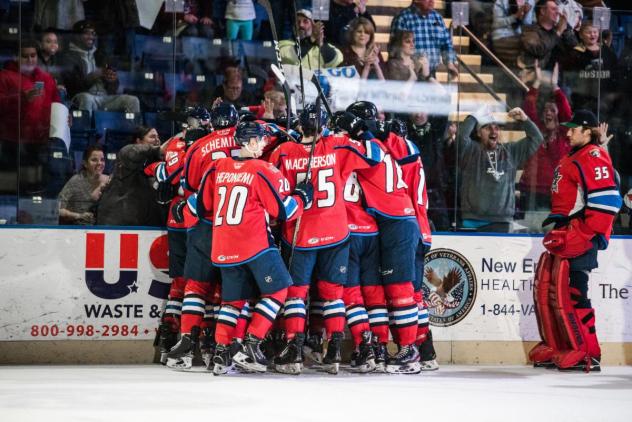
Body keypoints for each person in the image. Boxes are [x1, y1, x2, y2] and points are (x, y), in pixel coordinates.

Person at [197, 120, 313, 374]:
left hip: (223, 244)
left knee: (232, 302)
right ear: (249, 142)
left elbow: (200, 205)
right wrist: (302, 197)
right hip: (254, 243)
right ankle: (251, 344)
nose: (263, 144)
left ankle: (221, 354)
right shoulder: (261, 169)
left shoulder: (217, 166)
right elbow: (282, 211)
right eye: (260, 140)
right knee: (279, 290)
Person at [531, 110, 621, 371]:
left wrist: (582, 233)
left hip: (578, 235)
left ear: (587, 132)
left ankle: (588, 352)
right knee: (552, 291)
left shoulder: (592, 156)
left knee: (574, 293)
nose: (567, 132)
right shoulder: (577, 154)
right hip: (565, 231)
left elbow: (608, 202)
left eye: (573, 129)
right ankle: (562, 346)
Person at [457, 107, 544, 232]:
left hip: (502, 220)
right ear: (478, 133)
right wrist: (474, 117)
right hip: (473, 219)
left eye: (497, 128)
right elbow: (461, 137)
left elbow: (537, 139)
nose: (494, 131)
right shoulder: (471, 150)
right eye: (487, 128)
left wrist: (525, 120)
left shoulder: (510, 151)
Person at [0, 39, 61, 194]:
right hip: (11, 141)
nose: (30, 60)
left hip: (39, 141)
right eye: (25, 56)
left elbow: (56, 104)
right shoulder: (4, 76)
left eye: (33, 55)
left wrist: (63, 118)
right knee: (10, 189)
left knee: (36, 189)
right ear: (16, 57)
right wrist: (20, 98)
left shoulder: (46, 78)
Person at [519, 62, 572, 214]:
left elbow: (566, 113)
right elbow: (528, 107)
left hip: (556, 192)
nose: (548, 113)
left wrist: (555, 86)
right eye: (546, 110)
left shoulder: (565, 134)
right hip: (531, 189)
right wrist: (537, 82)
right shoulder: (537, 130)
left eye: (552, 110)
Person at [58, 20, 140, 113]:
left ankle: (133, 127)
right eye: (86, 33)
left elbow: (113, 89)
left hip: (104, 98)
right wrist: (93, 76)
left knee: (132, 101)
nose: (91, 37)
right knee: (86, 98)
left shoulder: (100, 55)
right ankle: (84, 127)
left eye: (93, 33)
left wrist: (111, 81)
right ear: (77, 36)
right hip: (82, 96)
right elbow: (73, 88)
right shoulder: (69, 57)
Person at [95, 126, 165, 226]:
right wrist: (160, 149)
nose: (157, 140)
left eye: (158, 137)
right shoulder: (127, 153)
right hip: (118, 223)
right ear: (139, 141)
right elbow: (135, 151)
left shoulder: (159, 162)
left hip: (145, 223)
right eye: (152, 137)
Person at [560, 22, 619, 120]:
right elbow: (569, 79)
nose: (592, 35)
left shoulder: (607, 52)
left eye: (595, 32)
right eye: (589, 32)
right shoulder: (574, 54)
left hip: (605, 103)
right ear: (581, 35)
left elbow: (615, 75)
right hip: (583, 103)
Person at [389, 0, 458, 79]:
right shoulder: (402, 18)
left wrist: (450, 63)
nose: (432, 1)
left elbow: (447, 43)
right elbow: (394, 50)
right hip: (407, 75)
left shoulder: (437, 17)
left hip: (430, 75)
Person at [58, 144, 109, 225]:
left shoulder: (109, 181)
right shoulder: (76, 181)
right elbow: (57, 209)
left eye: (102, 160)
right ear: (85, 163)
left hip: (103, 230)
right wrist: (78, 216)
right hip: (76, 230)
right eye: (94, 160)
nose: (99, 163)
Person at [520, 0, 577, 70]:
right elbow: (538, 49)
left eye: (558, 10)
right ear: (543, 11)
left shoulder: (557, 30)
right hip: (541, 73)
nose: (558, 12)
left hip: (563, 71)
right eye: (553, 9)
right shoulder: (529, 30)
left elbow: (574, 46)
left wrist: (566, 27)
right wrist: (558, 32)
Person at [279, 9, 344, 69]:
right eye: (298, 22)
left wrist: (320, 43)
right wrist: (311, 39)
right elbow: (290, 56)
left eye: (305, 22)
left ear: (313, 26)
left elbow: (337, 60)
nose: (301, 25)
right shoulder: (284, 44)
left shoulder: (323, 46)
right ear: (293, 27)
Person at [491, 0, 535, 67]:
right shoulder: (501, 1)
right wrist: (515, 16)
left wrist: (526, 14)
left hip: (518, 35)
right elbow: (496, 23)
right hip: (502, 36)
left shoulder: (530, 1)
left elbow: (527, 24)